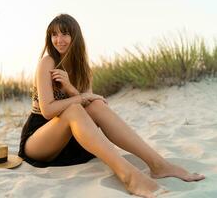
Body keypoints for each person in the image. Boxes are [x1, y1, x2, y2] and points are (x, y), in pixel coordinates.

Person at [18, 14, 205, 198]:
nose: (59, 40)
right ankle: (129, 175)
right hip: (40, 139)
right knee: (77, 107)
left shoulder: (82, 67)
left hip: (72, 141)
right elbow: (48, 111)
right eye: (54, 35)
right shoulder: (47, 62)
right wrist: (81, 97)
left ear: (75, 36)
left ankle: (158, 165)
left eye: (65, 34)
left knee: (96, 104)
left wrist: (70, 88)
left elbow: (87, 102)